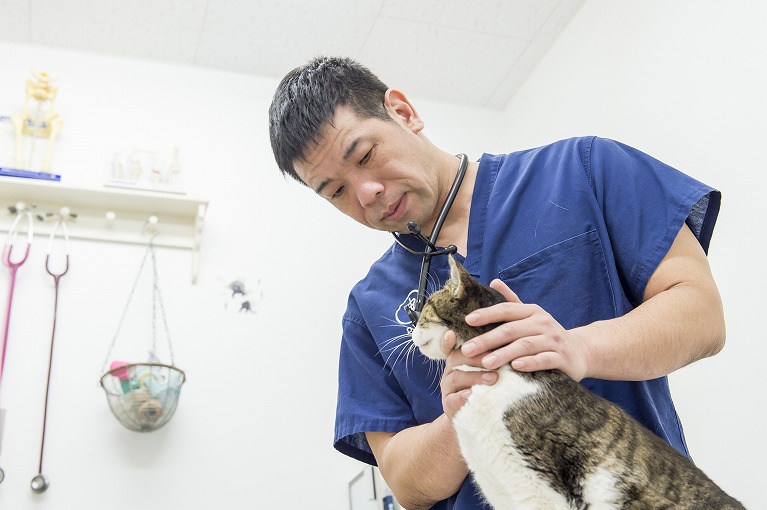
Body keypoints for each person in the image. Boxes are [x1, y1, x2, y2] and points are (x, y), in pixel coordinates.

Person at [268, 56, 725, 510]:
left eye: (365, 156)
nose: (366, 193)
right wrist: (460, 415)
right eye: (336, 191)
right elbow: (405, 484)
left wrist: (577, 349)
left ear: (403, 113)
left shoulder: (583, 170)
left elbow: (702, 314)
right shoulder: (368, 307)